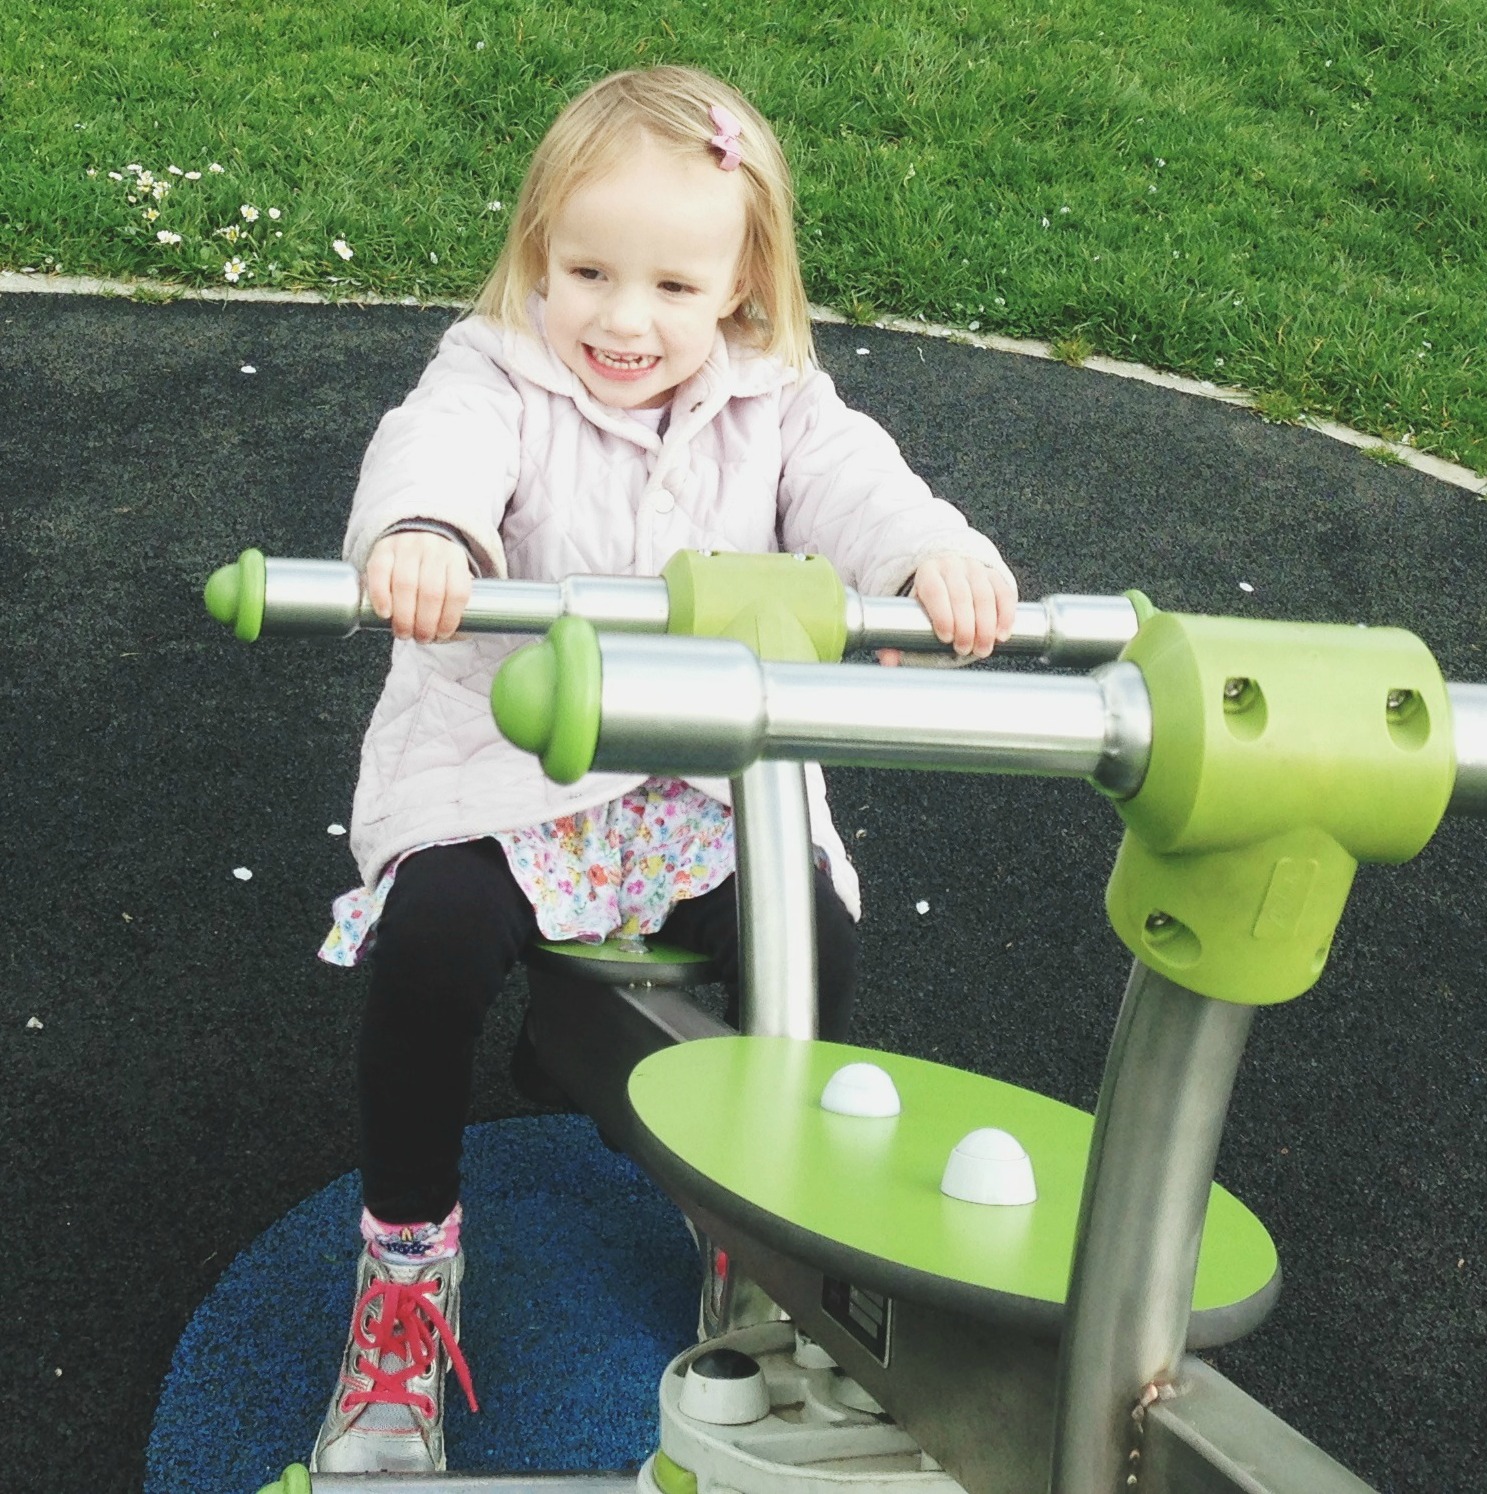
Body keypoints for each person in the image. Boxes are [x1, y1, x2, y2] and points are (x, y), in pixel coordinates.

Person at [309, 63, 1020, 1473]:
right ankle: (405, 1265)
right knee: (434, 936)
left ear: (741, 287)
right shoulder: (496, 371)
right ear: (539, 255)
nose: (623, 322)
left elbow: (859, 485)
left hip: (702, 782)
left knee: (805, 932)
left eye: (674, 288)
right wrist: (427, 534)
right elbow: (433, 451)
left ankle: (754, 1231)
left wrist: (927, 557)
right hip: (510, 768)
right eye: (588, 273)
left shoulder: (778, 401)